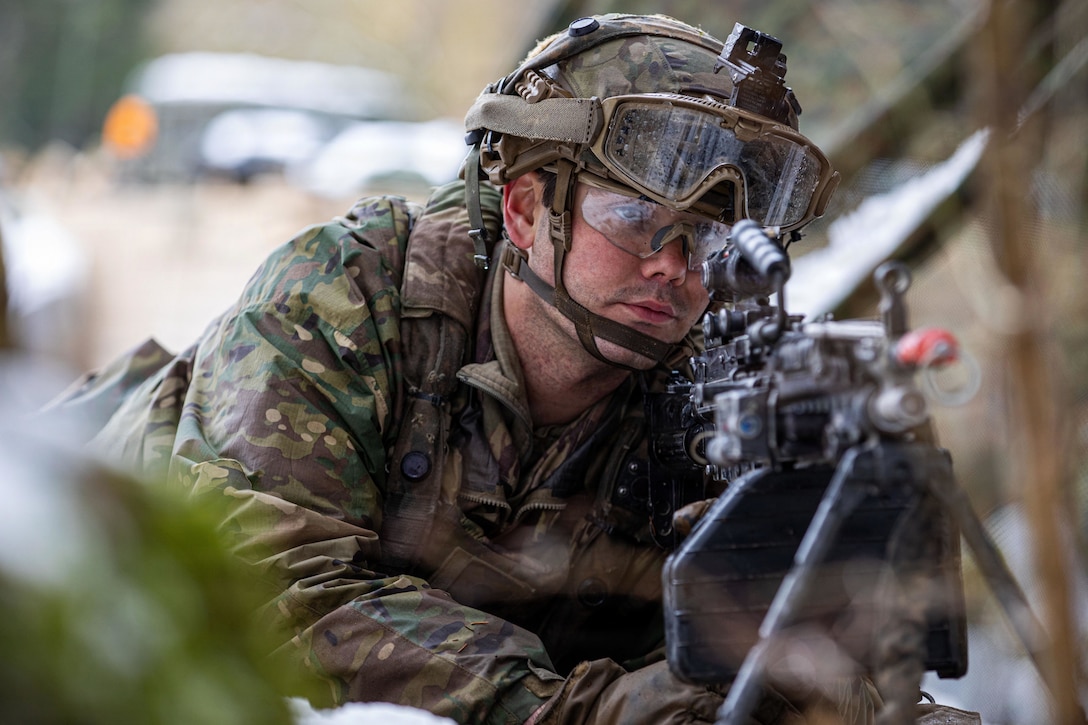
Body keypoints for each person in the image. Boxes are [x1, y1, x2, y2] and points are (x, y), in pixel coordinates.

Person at [57, 12, 980, 725]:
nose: (673, 267)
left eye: (703, 240)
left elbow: (794, 671)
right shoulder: (353, 291)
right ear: (530, 207)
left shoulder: (713, 394)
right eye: (638, 223)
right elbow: (269, 593)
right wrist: (570, 707)